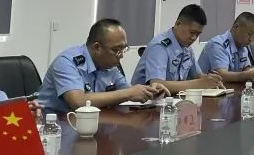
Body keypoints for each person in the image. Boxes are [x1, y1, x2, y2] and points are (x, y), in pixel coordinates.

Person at [38, 19, 169, 113]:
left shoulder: (109, 65)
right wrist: (129, 93)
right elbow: (78, 102)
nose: (121, 56)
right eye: (116, 50)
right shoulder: (67, 62)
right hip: (55, 128)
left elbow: (128, 91)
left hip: (92, 124)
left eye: (124, 49)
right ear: (97, 47)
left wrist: (150, 92)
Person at [131, 4, 223, 94]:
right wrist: (200, 83)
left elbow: (198, 76)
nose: (194, 38)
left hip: (171, 100)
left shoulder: (187, 48)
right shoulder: (160, 46)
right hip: (143, 102)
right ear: (178, 24)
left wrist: (212, 81)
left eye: (198, 34)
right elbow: (157, 85)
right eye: (192, 32)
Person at [196, 12, 254, 83]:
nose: (251, 39)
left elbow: (246, 67)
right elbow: (222, 76)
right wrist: (247, 75)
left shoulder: (243, 47)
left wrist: (251, 71)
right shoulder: (218, 45)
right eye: (249, 34)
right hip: (206, 88)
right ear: (236, 27)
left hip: (229, 88)